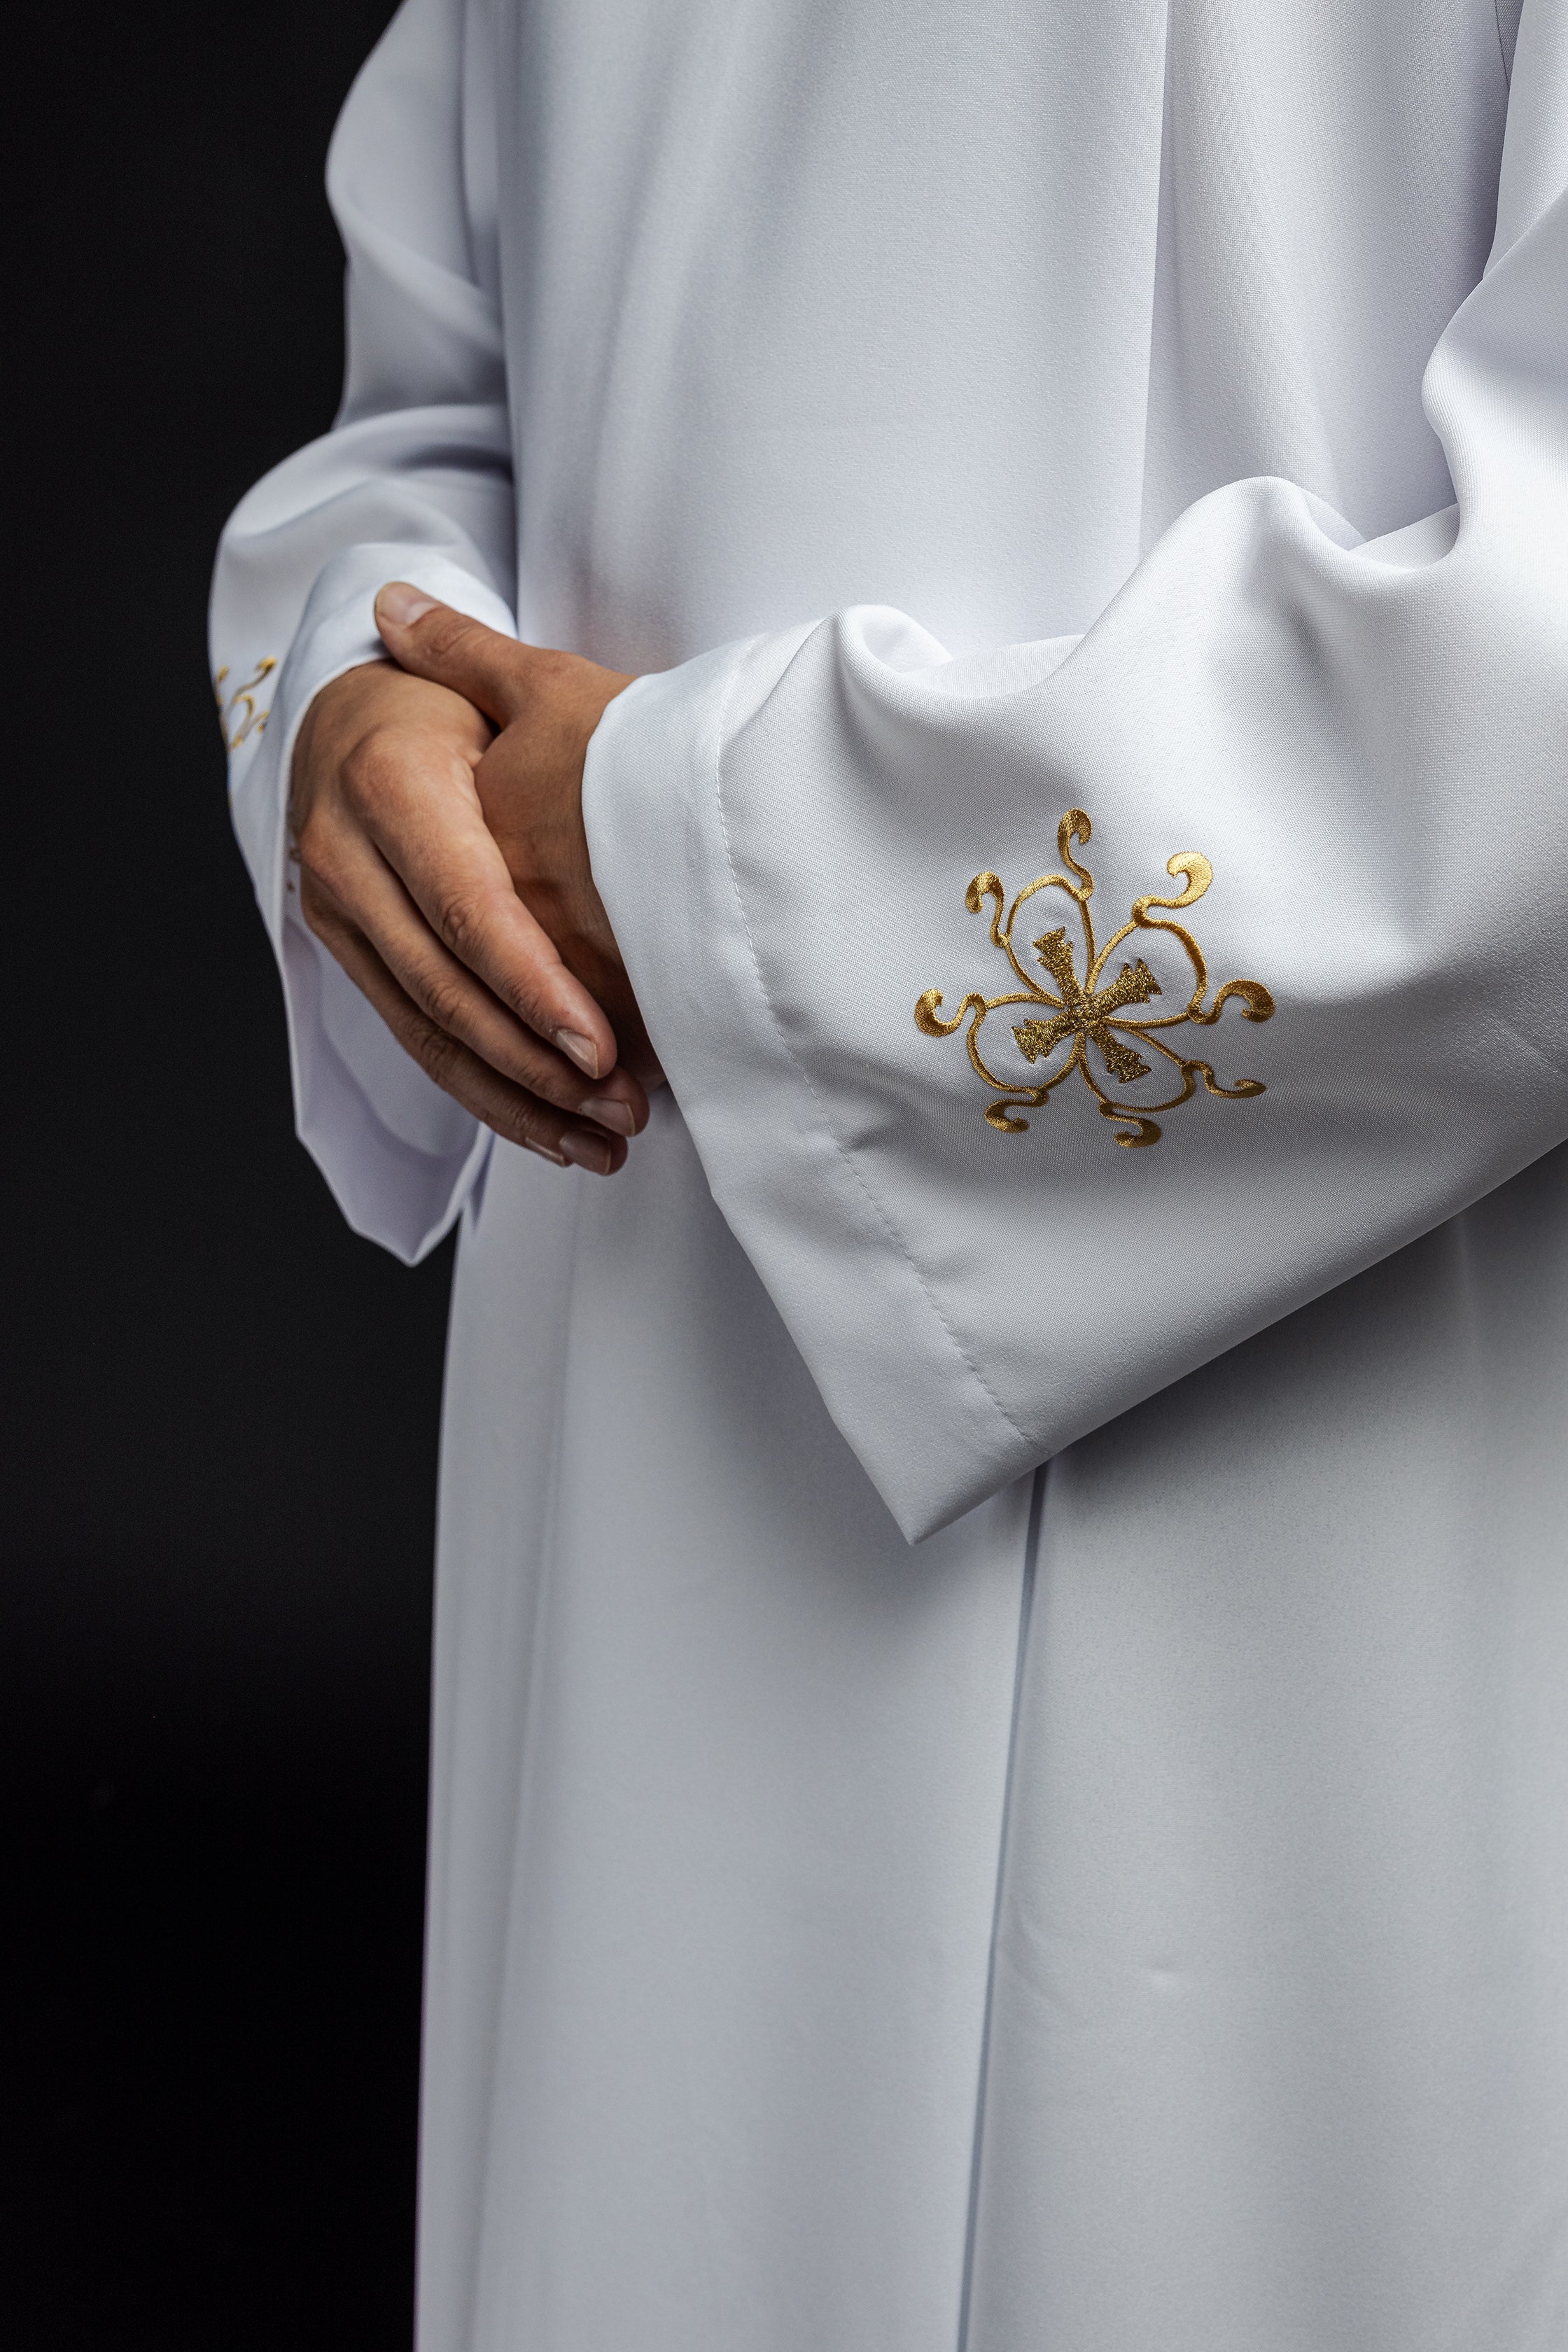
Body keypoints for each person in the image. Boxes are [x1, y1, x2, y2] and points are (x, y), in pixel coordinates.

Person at [211, 0, 1568, 2342]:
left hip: (1331, 1415)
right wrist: (359, 690)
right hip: (640, 1359)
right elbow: (436, 401)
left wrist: (720, 855)